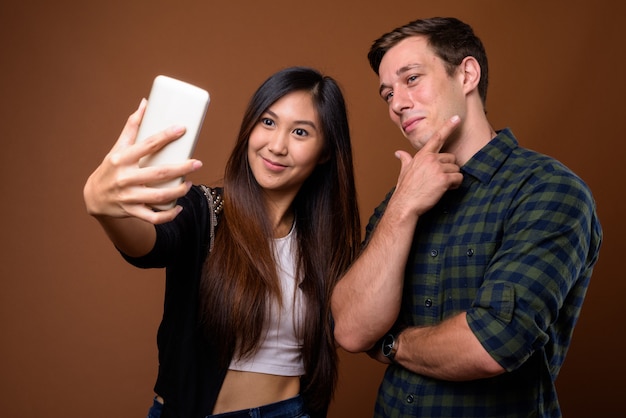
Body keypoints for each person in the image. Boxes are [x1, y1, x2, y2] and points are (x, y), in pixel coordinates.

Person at [331, 16, 602, 417]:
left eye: (411, 79)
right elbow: (352, 329)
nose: (397, 104)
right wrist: (403, 208)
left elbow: (493, 343)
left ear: (468, 74)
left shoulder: (547, 189)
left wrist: (393, 344)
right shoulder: (401, 199)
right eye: (387, 93)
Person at [83, 66, 361, 418]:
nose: (276, 146)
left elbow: (355, 329)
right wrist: (108, 211)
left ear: (325, 152)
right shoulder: (206, 210)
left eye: (301, 132)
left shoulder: (328, 241)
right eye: (268, 122)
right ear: (250, 127)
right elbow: (150, 245)